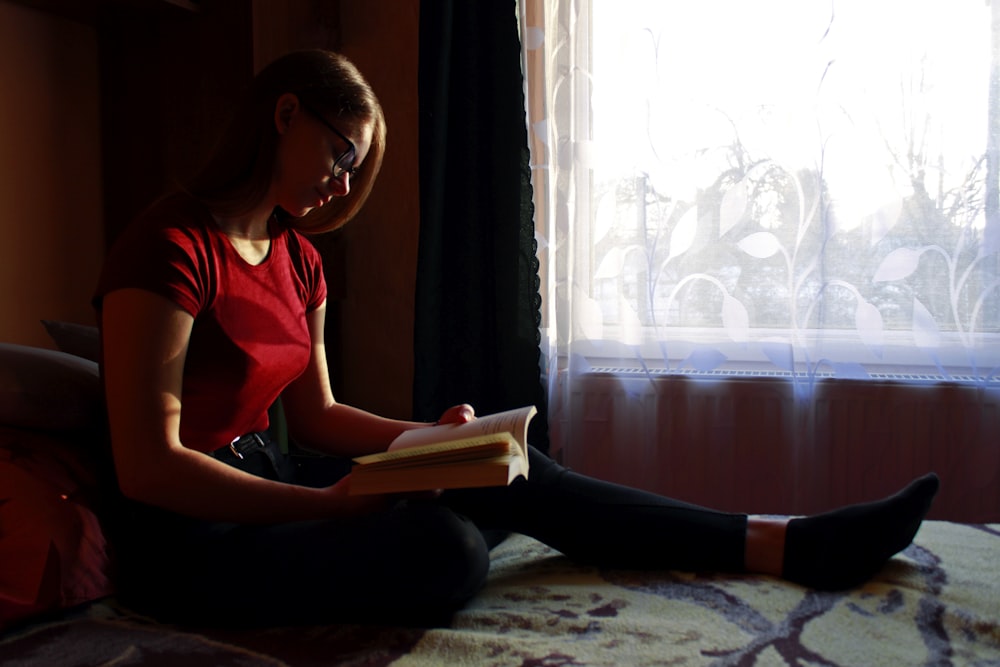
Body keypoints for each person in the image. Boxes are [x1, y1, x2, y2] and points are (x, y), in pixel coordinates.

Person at [94, 49, 940, 628]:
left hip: (274, 478)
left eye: (356, 167)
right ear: (285, 115)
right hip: (190, 539)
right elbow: (148, 463)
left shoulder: (300, 260)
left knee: (507, 461)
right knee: (447, 551)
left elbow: (314, 415)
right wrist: (324, 504)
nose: (343, 182)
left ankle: (782, 539)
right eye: (341, 153)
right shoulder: (170, 246)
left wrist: (436, 441)